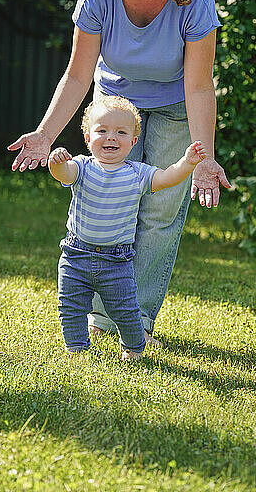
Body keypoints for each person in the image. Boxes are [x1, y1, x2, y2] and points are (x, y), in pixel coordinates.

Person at [8, 0, 231, 345]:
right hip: (117, 102)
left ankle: (137, 315)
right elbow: (78, 72)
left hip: (174, 104)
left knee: (162, 208)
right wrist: (45, 133)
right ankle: (102, 311)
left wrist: (204, 158)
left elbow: (199, 86)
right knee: (107, 194)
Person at [49, 95, 207, 360]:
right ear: (88, 138)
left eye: (121, 132)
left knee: (126, 309)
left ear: (133, 142)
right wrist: (57, 163)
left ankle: (134, 348)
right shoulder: (81, 167)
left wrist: (187, 163)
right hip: (76, 255)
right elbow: (63, 175)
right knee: (71, 305)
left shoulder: (137, 173)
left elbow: (167, 178)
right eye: (102, 131)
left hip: (117, 260)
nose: (111, 137)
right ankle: (76, 349)